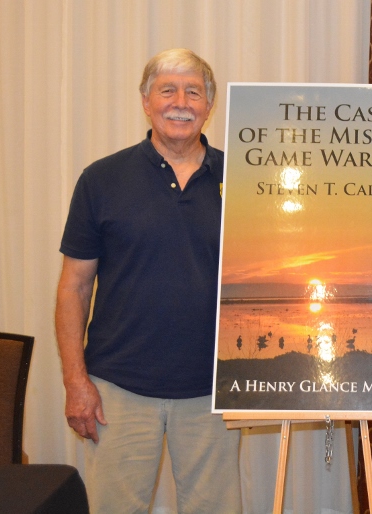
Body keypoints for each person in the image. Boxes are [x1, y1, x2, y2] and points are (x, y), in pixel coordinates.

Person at [55, 48, 241, 513]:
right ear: (145, 100)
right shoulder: (100, 180)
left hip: (213, 390)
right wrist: (76, 381)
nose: (181, 101)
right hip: (117, 391)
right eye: (168, 90)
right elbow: (73, 288)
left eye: (193, 91)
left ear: (209, 104)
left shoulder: (244, 179)